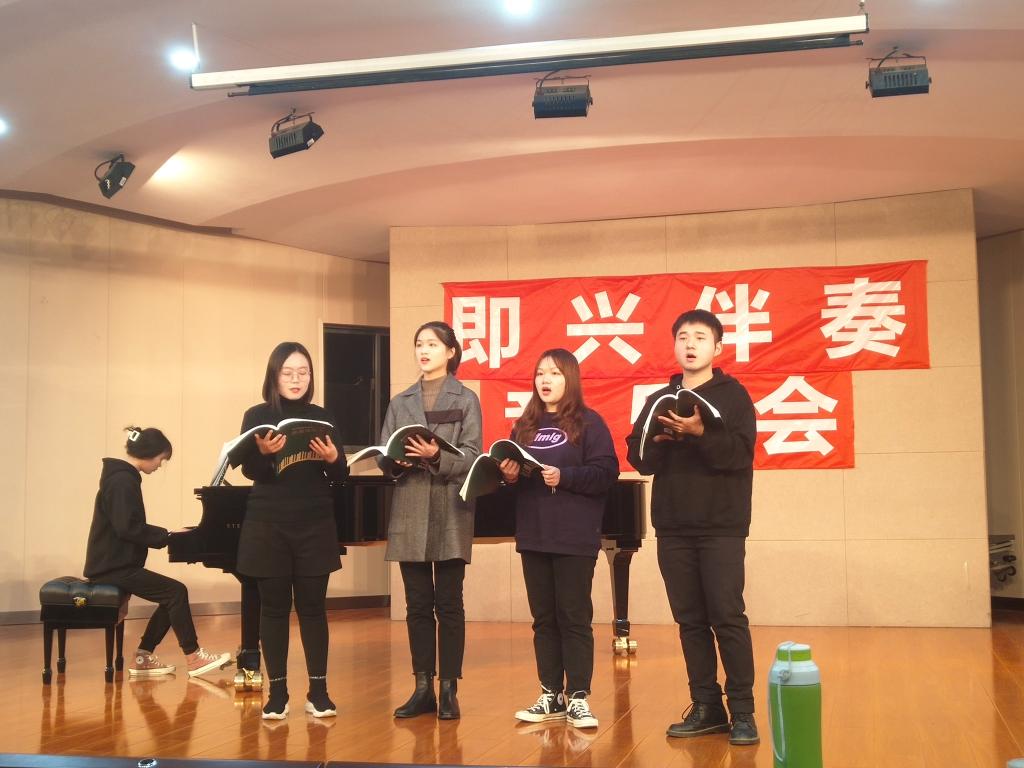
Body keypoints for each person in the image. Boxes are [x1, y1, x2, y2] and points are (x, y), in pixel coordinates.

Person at [625, 308, 759, 746]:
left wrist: (701, 433)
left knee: (727, 616)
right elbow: (639, 458)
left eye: (700, 337)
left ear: (717, 347)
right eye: (683, 336)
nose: (690, 344)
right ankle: (706, 707)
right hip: (674, 524)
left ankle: (743, 712)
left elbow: (739, 455)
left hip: (721, 525)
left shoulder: (733, 395)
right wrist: (662, 440)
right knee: (690, 620)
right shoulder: (658, 400)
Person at [499, 348, 619, 731]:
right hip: (534, 533)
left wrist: (564, 477)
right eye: (539, 373)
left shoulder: (589, 423)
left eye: (553, 373)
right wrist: (509, 475)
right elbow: (512, 484)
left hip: (574, 535)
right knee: (543, 619)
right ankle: (551, 693)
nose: (545, 380)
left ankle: (578, 696)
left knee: (574, 617)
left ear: (570, 378)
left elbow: (607, 472)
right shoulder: (524, 425)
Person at [236, 341, 349, 720]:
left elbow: (340, 475)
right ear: (274, 376)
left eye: (303, 372)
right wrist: (264, 455)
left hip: (315, 521)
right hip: (267, 522)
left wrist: (334, 459)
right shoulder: (257, 416)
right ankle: (278, 693)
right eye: (288, 372)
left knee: (313, 609)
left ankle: (319, 692)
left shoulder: (322, 417)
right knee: (273, 609)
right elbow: (249, 470)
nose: (296, 379)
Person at [378, 320, 482, 721]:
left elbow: (473, 455)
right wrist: (396, 462)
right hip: (409, 505)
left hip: (450, 506)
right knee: (417, 604)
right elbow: (385, 454)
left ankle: (449, 688)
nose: (424, 351)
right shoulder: (400, 401)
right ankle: (422, 687)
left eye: (433, 345)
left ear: (451, 352)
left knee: (449, 603)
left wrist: (436, 456)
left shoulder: (466, 398)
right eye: (419, 344)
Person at [84, 426, 231, 679]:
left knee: (172, 594)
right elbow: (127, 528)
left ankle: (144, 656)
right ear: (149, 453)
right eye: (161, 459)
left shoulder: (122, 477)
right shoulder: (122, 481)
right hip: (112, 567)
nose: (160, 465)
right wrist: (168, 536)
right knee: (175, 592)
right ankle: (193, 657)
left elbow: (128, 526)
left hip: (113, 564)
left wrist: (168, 535)